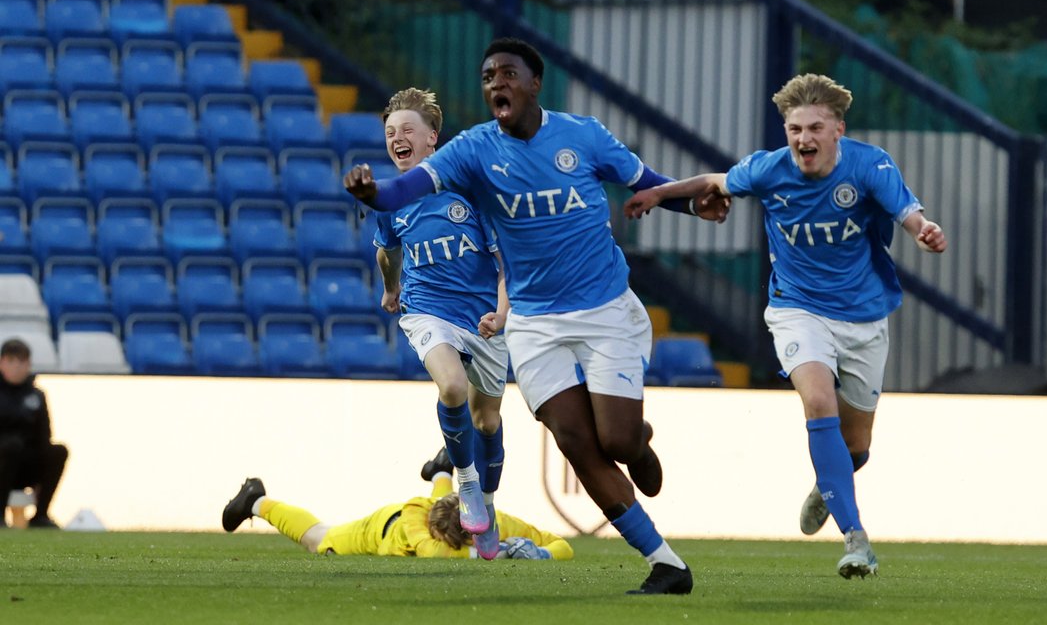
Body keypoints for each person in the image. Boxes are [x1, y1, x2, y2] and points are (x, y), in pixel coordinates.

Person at [344, 37, 727, 595]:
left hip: (604, 311)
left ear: (533, 84)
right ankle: (666, 564)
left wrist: (693, 201)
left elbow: (646, 183)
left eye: (507, 73)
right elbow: (406, 188)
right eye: (487, 77)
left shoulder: (583, 135)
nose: (496, 82)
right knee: (575, 441)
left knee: (616, 442)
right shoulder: (474, 149)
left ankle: (637, 441)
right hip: (535, 324)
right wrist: (373, 191)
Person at [624, 72, 947, 579]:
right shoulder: (768, 170)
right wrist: (658, 195)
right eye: (795, 128)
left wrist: (922, 229)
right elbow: (713, 183)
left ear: (838, 129)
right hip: (797, 308)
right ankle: (856, 539)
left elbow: (906, 209)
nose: (804, 139)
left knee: (856, 446)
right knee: (817, 401)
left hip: (864, 317)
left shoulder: (869, 165)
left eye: (815, 128)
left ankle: (829, 483)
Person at [370, 87, 512, 560]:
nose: (398, 138)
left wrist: (502, 312)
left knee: (487, 421)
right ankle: (467, 483)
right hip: (427, 309)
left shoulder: (469, 189)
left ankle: (487, 506)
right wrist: (391, 288)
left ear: (433, 137)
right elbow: (385, 250)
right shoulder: (391, 198)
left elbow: (505, 260)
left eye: (407, 129)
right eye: (390, 132)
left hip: (483, 318)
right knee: (451, 387)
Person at [221, 448, 572, 559]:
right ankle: (257, 500)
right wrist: (498, 552)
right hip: (380, 529)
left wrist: (541, 553)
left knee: (445, 503)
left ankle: (440, 472)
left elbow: (563, 547)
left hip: (443, 510)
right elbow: (432, 553)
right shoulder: (415, 520)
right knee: (318, 538)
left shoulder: (498, 523)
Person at [0, 337, 69, 529]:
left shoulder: (36, 395)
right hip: (2, 462)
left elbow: (44, 435)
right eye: (12, 361)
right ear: (2, 363)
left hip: (26, 465)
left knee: (58, 451)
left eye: (23, 362)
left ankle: (40, 515)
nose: (18, 367)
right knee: (11, 446)